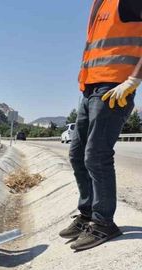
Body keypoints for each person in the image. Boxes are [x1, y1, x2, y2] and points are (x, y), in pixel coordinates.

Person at [60, 0, 142, 251]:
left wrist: (133, 80)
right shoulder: (102, 4)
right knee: (77, 155)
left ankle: (104, 222)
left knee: (96, 156)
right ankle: (87, 214)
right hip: (91, 89)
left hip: (114, 89)